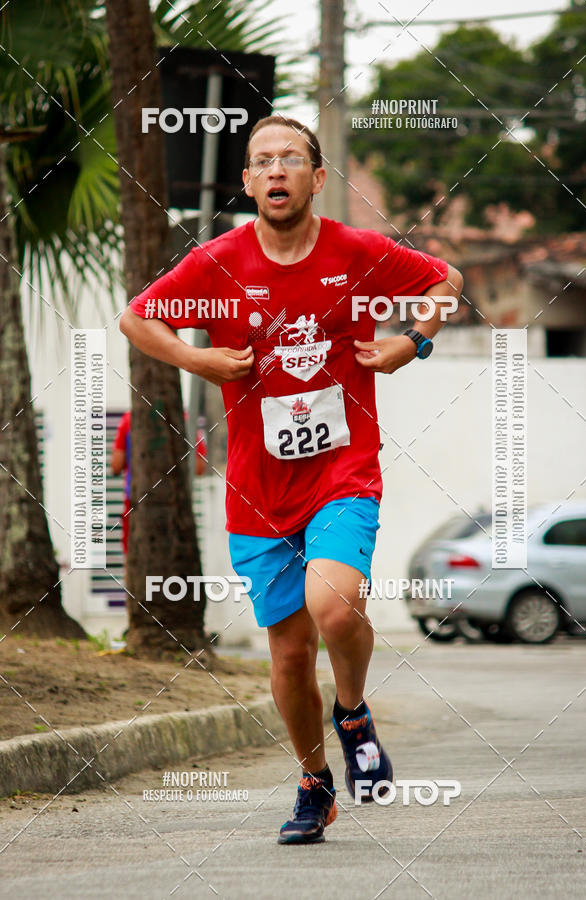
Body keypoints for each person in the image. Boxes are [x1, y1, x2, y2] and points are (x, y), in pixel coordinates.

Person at [120, 115, 463, 844]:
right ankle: (315, 785)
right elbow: (137, 320)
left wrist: (412, 343)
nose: (276, 171)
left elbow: (446, 282)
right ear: (246, 183)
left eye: (290, 159)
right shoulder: (216, 263)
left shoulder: (355, 250)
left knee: (334, 608)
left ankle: (354, 712)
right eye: (262, 161)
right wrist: (200, 362)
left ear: (316, 176)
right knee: (287, 652)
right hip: (256, 488)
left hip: (342, 469)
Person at [110, 410, 206, 558]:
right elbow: (199, 467)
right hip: (176, 504)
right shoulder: (185, 419)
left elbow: (116, 465)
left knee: (135, 557)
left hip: (137, 502)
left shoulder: (130, 419)